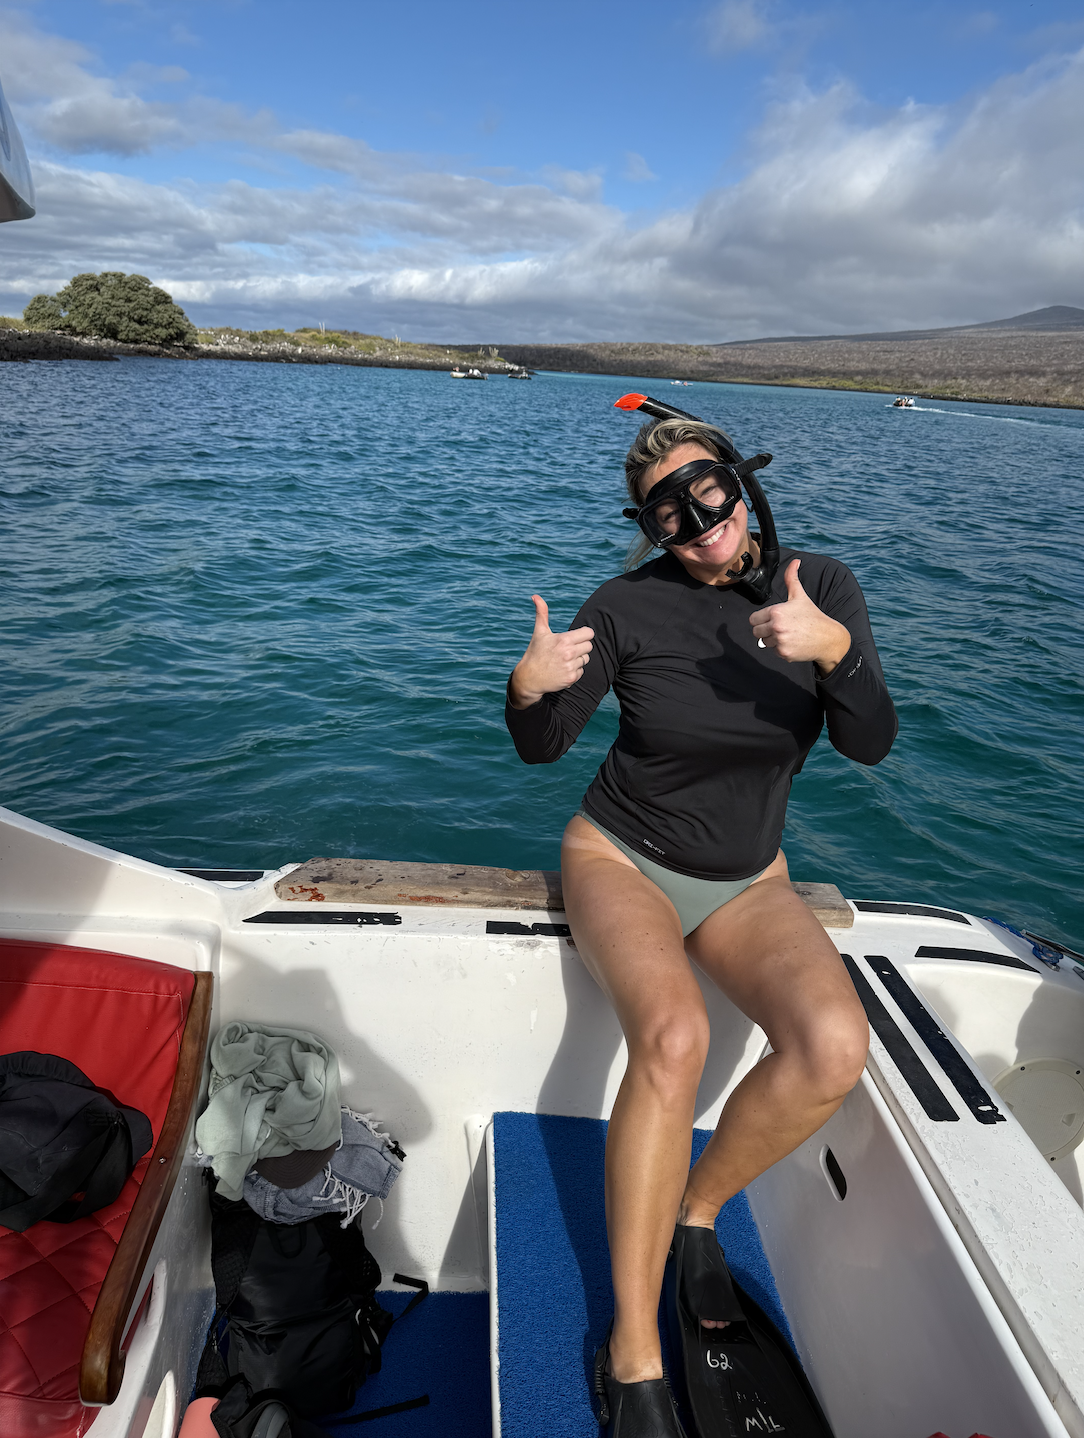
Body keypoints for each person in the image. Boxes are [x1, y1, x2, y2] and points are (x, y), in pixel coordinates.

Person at [504, 413, 897, 1436]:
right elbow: (545, 746)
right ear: (648, 525)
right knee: (672, 1037)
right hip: (621, 855)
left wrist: (836, 650)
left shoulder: (821, 589)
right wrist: (525, 688)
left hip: (748, 878)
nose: (697, 518)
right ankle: (633, 1351)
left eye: (707, 489)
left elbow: (870, 743)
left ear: (741, 481)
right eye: (666, 509)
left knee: (832, 1048)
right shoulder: (625, 605)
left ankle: (696, 1211)